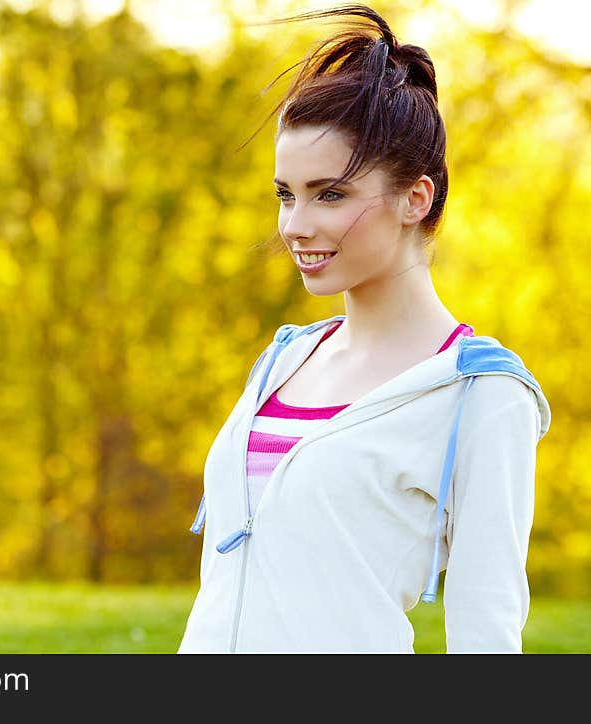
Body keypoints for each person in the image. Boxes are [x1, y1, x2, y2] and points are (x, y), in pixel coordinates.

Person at [177, 4, 551, 653]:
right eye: (285, 194)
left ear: (416, 198)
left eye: (331, 194)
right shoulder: (284, 361)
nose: (294, 225)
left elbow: (486, 631)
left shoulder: (482, 395)